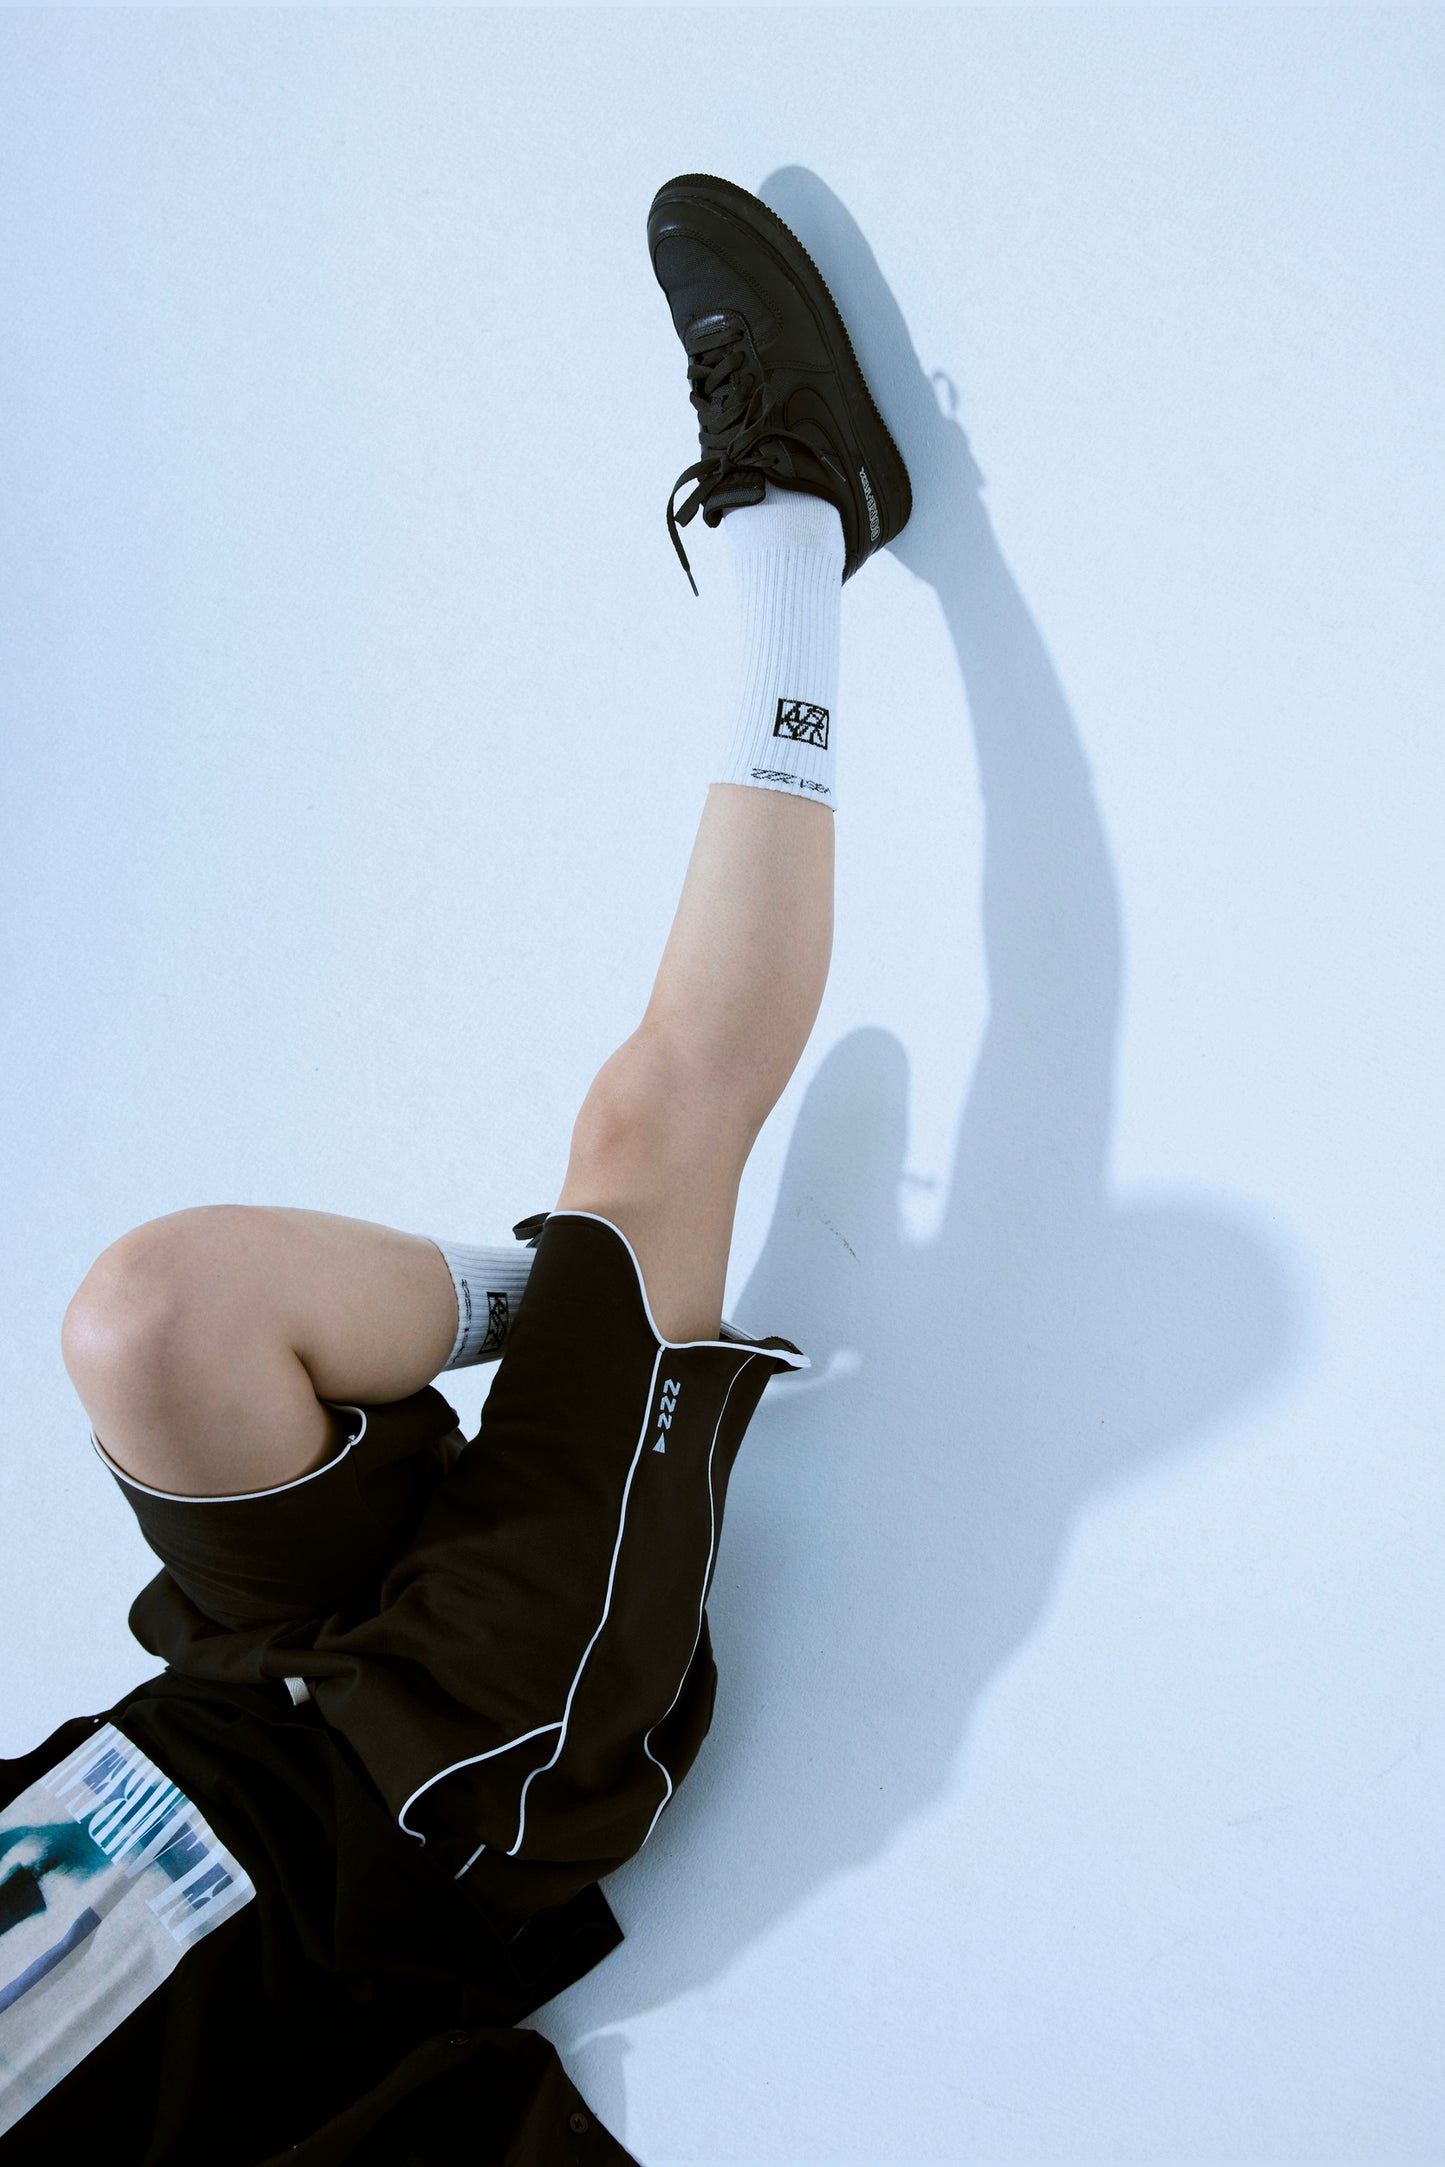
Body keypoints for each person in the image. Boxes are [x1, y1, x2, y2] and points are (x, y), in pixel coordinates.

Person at [0, 172, 912, 2165]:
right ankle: (799, 516)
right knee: (648, 1122)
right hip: (445, 1787)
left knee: (146, 1316)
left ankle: (581, 1307)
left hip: (231, 1681)